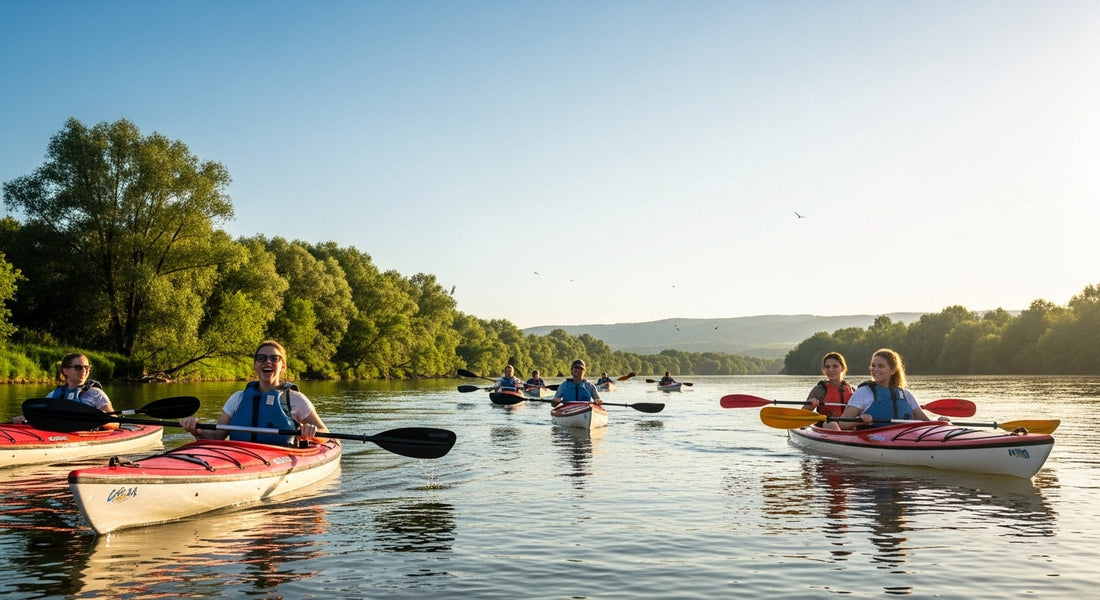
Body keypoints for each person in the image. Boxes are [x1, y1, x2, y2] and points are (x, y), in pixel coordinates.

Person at [180, 340, 329, 446]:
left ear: (283, 366)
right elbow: (216, 436)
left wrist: (312, 432)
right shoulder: (238, 398)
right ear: (255, 365)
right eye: (261, 358)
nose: (267, 362)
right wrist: (197, 429)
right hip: (238, 458)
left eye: (274, 358)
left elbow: (325, 433)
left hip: (279, 458)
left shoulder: (295, 400)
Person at [838, 348, 948, 430]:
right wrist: (860, 420)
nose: (875, 369)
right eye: (873, 365)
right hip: (874, 439)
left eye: (881, 366)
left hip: (907, 438)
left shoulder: (905, 394)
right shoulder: (863, 392)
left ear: (892, 370)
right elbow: (843, 424)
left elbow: (925, 422)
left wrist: (939, 423)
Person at [14, 353, 118, 429]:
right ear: (65, 370)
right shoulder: (53, 395)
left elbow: (115, 423)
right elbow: (42, 418)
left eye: (87, 367)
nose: (84, 371)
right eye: (78, 367)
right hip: (57, 435)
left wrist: (101, 419)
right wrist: (25, 419)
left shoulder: (96, 394)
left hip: (85, 435)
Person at [800, 352, 854, 430]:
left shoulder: (852, 389)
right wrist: (811, 404)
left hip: (847, 424)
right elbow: (802, 415)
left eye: (835, 366)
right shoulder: (819, 390)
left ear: (842, 368)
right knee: (831, 424)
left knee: (855, 424)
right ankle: (839, 439)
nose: (831, 370)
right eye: (827, 367)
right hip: (826, 424)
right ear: (824, 369)